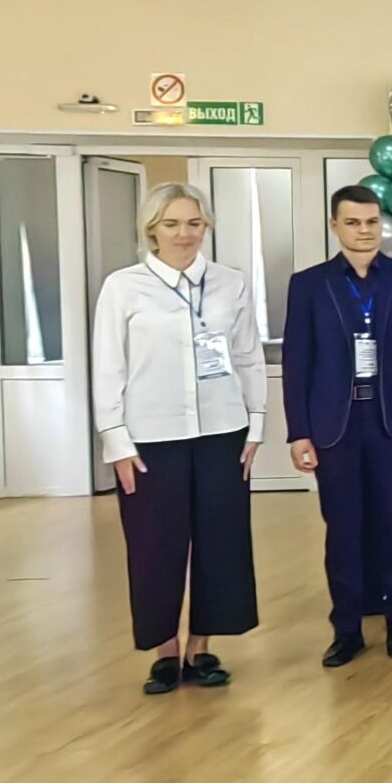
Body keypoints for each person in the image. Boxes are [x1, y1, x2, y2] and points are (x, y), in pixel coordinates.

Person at [92, 182, 265, 695]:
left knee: (220, 542)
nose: (184, 234)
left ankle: (201, 648)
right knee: (155, 546)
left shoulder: (230, 284)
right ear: (152, 230)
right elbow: (108, 366)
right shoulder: (123, 287)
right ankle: (165, 652)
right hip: (150, 439)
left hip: (222, 433)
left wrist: (255, 424)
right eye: (171, 224)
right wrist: (115, 440)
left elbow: (248, 357)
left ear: (206, 226)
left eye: (193, 223)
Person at [285, 185, 392, 668]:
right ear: (334, 225)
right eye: (353, 222)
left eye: (371, 222)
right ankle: (347, 629)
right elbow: (297, 362)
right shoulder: (309, 285)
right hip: (335, 426)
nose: (364, 231)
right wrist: (298, 430)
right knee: (343, 530)